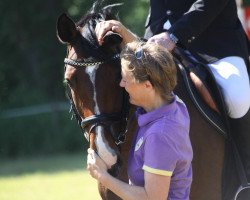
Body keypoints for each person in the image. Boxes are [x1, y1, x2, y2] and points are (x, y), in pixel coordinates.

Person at [87, 40, 193, 199]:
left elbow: (152, 198)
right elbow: (153, 62)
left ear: (148, 86)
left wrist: (102, 176)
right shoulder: (173, 104)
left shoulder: (159, 135)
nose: (121, 84)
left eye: (126, 79)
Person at [144, 0, 250, 119]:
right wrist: (148, 39)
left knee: (236, 99)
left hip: (214, 41)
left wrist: (174, 36)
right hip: (161, 37)